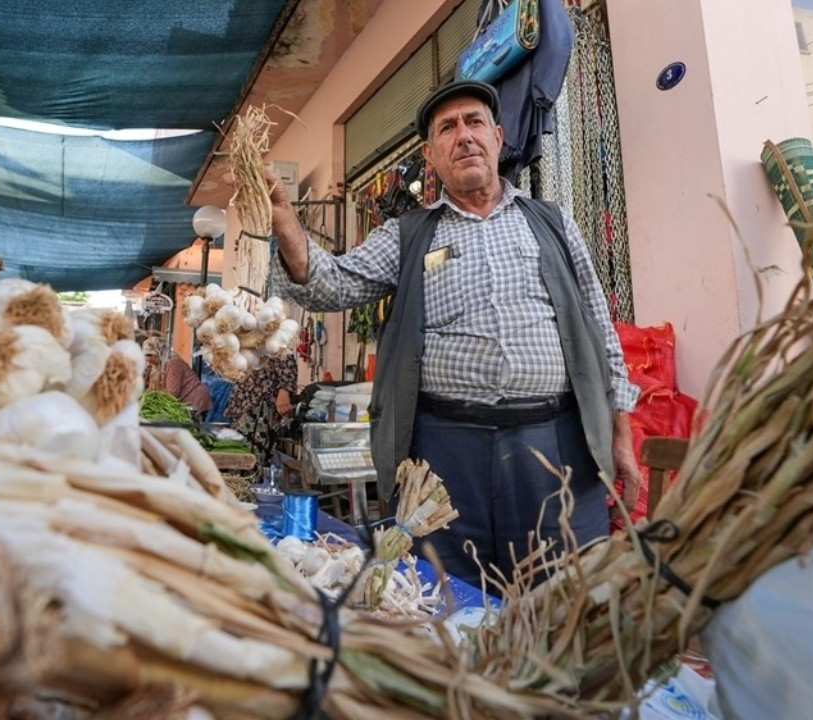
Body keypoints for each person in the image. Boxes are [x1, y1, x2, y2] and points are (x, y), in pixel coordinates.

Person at [266, 80, 641, 587]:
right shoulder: (409, 234)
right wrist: (286, 221)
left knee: (566, 599)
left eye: (474, 122)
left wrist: (621, 436)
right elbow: (332, 284)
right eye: (448, 128)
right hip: (445, 453)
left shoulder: (552, 223)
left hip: (555, 445)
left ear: (498, 136)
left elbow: (600, 325)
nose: (463, 136)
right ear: (430, 155)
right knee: (445, 594)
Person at [225, 352, 298, 440]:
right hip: (241, 407)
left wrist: (284, 392)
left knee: (254, 448)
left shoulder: (276, 348)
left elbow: (288, 371)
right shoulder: (244, 349)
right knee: (236, 447)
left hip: (260, 411)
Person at [142, 337, 212, 419]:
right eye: (145, 355)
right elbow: (151, 388)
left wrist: (155, 405)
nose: (147, 359)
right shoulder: (156, 366)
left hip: (194, 400)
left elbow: (172, 393)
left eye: (150, 355)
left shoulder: (173, 364)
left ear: (159, 353)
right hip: (182, 402)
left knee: (190, 427)